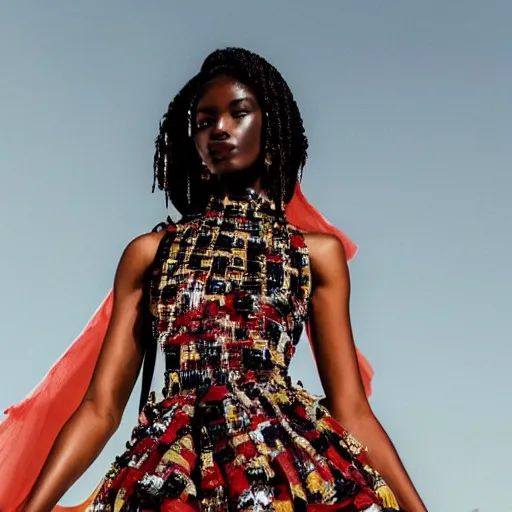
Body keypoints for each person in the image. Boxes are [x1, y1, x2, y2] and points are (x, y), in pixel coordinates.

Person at [0, 47, 426, 511]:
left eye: (238, 113)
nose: (219, 128)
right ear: (195, 147)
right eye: (204, 121)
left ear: (272, 131)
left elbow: (352, 408)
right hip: (170, 474)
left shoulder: (314, 255)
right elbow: (100, 408)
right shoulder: (151, 253)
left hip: (280, 466)